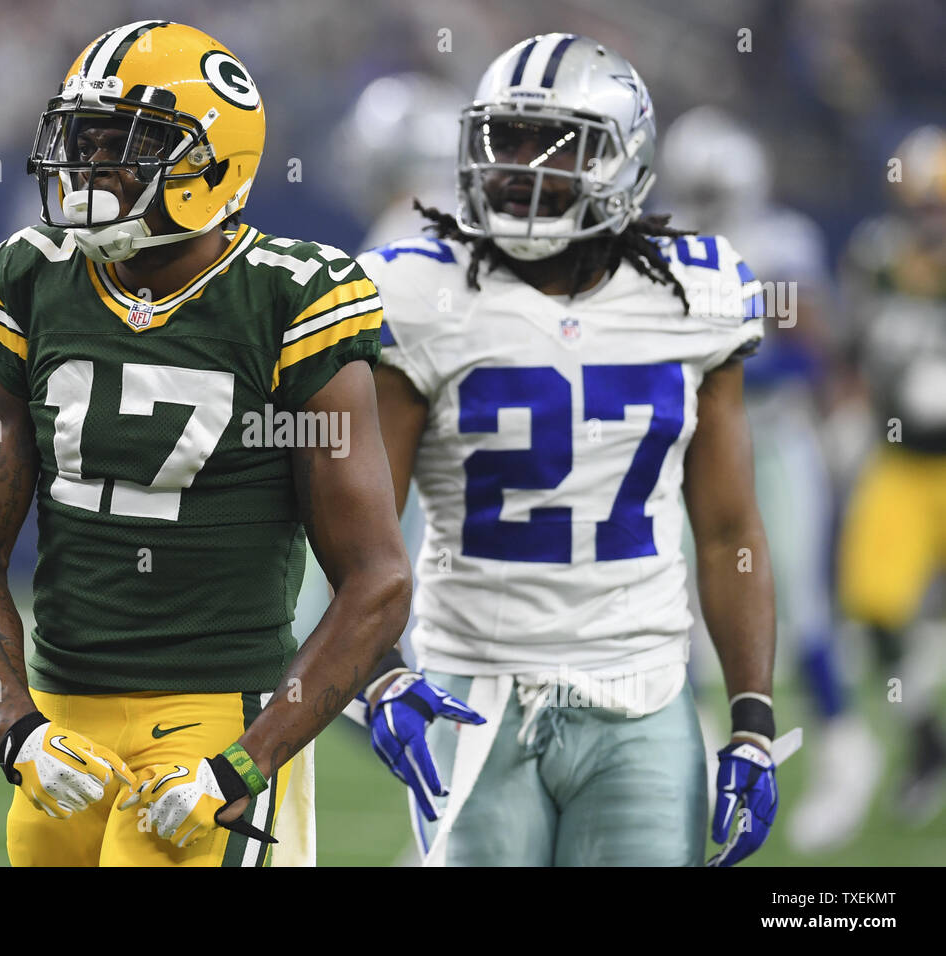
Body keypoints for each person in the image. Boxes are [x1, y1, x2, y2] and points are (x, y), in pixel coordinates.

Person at [0, 20, 412, 867]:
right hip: (63, 722)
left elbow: (376, 579)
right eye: (85, 139)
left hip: (216, 715)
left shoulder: (292, 298)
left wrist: (245, 763)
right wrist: (15, 723)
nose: (91, 168)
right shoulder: (32, 277)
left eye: (127, 143)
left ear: (212, 162)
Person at [357, 34, 781, 866]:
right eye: (502, 140)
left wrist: (754, 720)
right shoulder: (418, 292)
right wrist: (379, 669)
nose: (520, 166)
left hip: (644, 688)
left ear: (625, 160)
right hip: (473, 687)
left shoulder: (696, 291)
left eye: (557, 145)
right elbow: (362, 525)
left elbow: (730, 531)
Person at [660, 105, 881, 853]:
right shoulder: (661, 238)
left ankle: (845, 749)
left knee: (805, 608)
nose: (700, 208)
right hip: (687, 444)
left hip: (775, 443)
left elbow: (811, 354)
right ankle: (687, 763)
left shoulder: (781, 240)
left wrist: (733, 360)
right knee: (680, 614)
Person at [838, 124, 946, 827]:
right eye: (920, 203)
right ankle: (926, 747)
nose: (927, 218)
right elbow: (852, 345)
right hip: (901, 463)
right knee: (874, 609)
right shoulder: (875, 257)